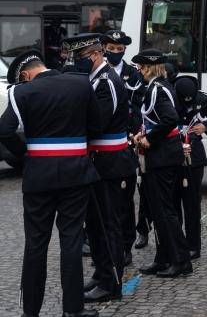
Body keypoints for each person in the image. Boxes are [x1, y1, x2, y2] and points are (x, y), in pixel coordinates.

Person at [0, 49, 102, 317]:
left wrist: (24, 151)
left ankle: (30, 312)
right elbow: (97, 126)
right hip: (76, 172)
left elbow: (3, 129)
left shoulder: (21, 92)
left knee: (36, 243)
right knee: (70, 242)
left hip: (39, 175)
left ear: (25, 74)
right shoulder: (81, 83)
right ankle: (73, 309)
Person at [62, 34, 137, 303]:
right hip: (99, 162)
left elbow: (96, 125)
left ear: (95, 55)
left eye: (80, 58)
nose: (76, 63)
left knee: (107, 226)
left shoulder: (105, 83)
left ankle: (112, 283)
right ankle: (101, 273)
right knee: (94, 226)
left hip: (109, 163)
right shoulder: (96, 79)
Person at [133, 49, 193, 277]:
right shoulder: (159, 86)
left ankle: (181, 260)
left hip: (163, 157)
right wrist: (143, 134)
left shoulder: (158, 88)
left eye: (139, 68)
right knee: (157, 211)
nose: (138, 72)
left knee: (165, 210)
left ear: (147, 68)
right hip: (160, 155)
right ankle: (163, 257)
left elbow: (170, 119)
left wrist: (149, 138)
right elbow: (154, 119)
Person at [99, 30, 146, 266]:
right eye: (111, 48)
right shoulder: (98, 73)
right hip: (101, 142)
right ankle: (102, 245)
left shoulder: (134, 75)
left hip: (126, 140)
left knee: (125, 199)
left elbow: (138, 109)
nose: (115, 52)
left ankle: (125, 244)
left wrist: (138, 134)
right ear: (104, 48)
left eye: (120, 49)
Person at [171, 75, 207, 258]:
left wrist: (206, 126)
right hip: (171, 152)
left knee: (193, 205)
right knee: (172, 203)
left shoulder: (202, 99)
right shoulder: (168, 95)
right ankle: (175, 244)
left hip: (194, 153)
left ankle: (193, 246)